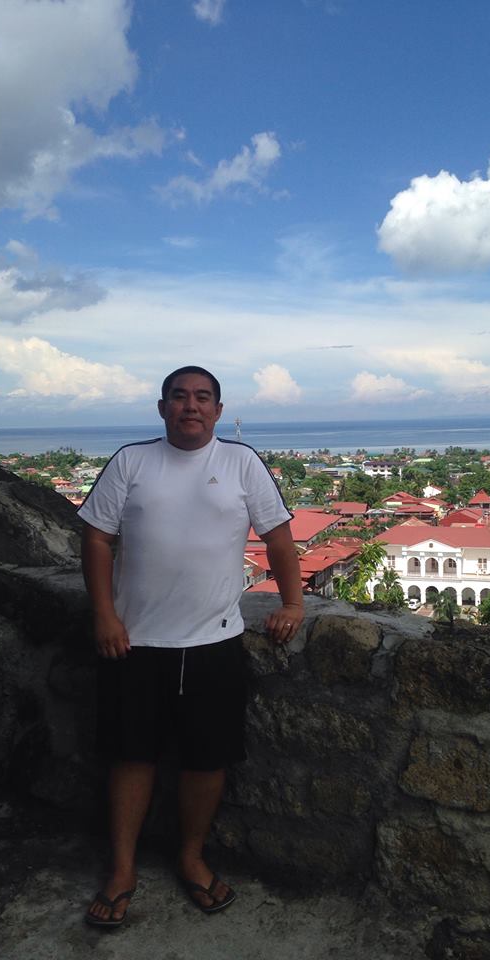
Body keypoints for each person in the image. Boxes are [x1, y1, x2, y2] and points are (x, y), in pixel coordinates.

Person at [79, 365, 304, 927]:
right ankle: (122, 869)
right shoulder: (131, 461)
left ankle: (191, 857)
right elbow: (97, 538)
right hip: (135, 641)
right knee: (131, 757)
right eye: (179, 396)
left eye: (203, 397)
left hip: (214, 639)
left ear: (218, 411)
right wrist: (104, 614)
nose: (191, 406)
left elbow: (279, 539)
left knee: (206, 760)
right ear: (162, 408)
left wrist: (293, 604)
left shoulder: (241, 463)